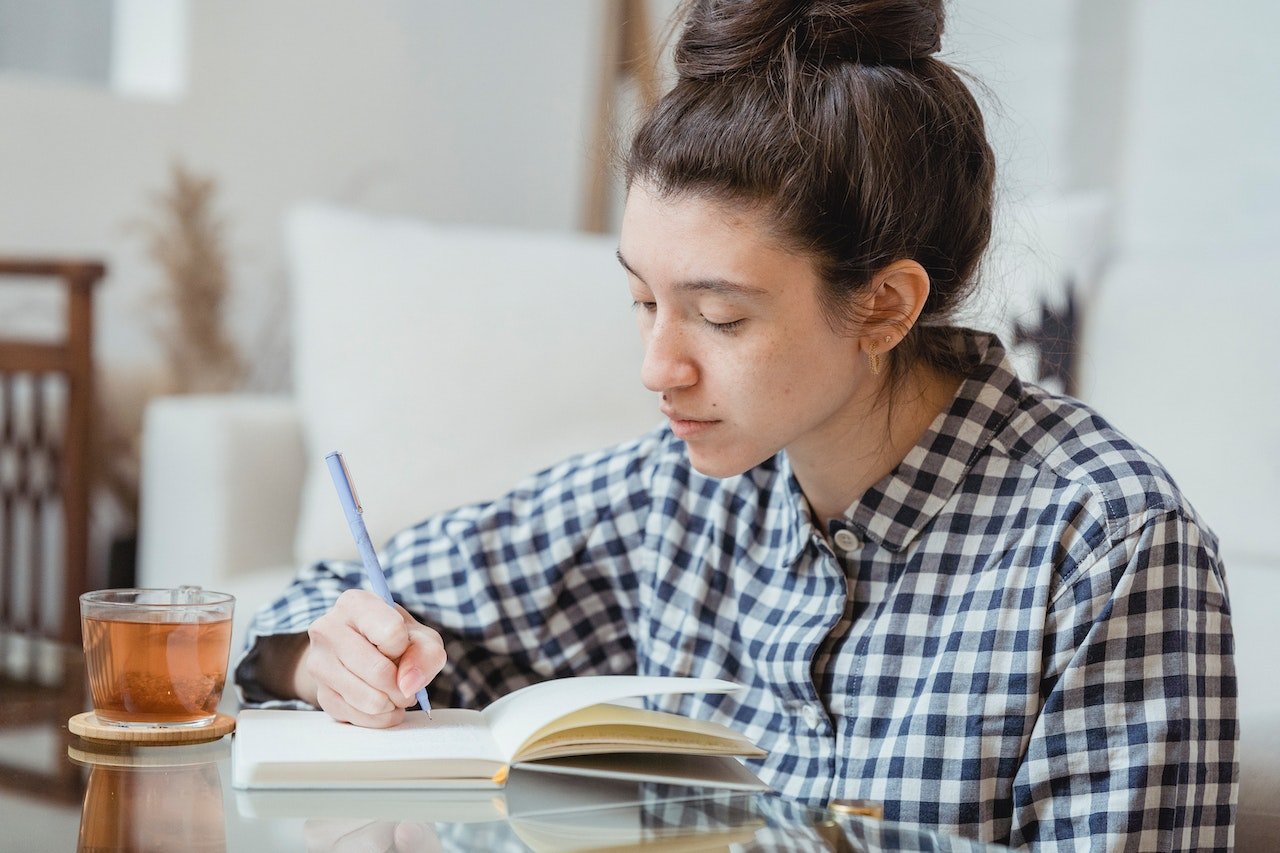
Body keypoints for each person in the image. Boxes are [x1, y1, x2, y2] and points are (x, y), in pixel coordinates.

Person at [235, 0, 1238, 848]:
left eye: (719, 317)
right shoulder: (668, 493)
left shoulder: (1101, 538)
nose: (656, 368)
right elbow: (336, 600)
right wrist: (321, 652)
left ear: (883, 306)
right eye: (641, 301)